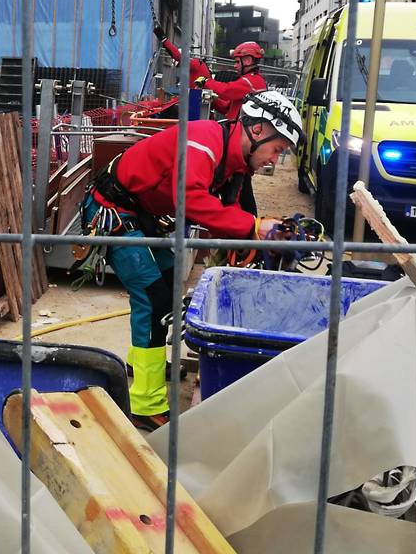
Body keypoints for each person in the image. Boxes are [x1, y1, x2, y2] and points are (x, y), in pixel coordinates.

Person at [82, 90, 305, 431]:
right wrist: (254, 228)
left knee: (170, 285)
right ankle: (145, 403)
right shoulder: (204, 141)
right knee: (153, 298)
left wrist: (258, 233)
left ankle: (141, 362)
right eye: (277, 150)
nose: (274, 160)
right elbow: (189, 198)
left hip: (141, 214)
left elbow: (236, 212)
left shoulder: (234, 164)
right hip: (113, 210)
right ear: (258, 130)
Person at [155, 29, 271, 215]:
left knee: (239, 191)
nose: (234, 66)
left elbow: (227, 91)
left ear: (248, 61)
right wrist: (209, 98)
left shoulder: (252, 82)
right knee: (234, 189)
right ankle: (241, 228)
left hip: (240, 144)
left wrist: (207, 82)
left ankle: (246, 229)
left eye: (237, 62)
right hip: (236, 141)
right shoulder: (247, 82)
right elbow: (227, 106)